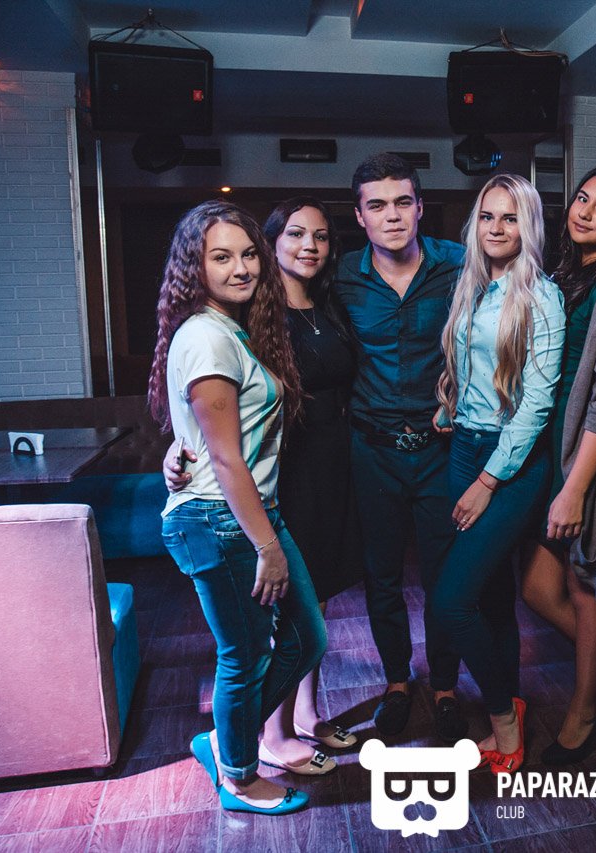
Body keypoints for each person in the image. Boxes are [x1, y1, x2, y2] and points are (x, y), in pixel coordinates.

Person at [163, 197, 364, 775]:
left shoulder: (254, 322)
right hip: (236, 504)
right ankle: (246, 757)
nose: (240, 268)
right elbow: (220, 445)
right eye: (221, 257)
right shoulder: (216, 330)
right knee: (252, 651)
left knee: (306, 629)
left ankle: (248, 736)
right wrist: (267, 544)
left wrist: (186, 448)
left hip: (283, 484)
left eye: (246, 255)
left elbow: (225, 421)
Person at [429, 173, 564, 774]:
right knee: (489, 595)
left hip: (510, 464)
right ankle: (513, 701)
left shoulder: (541, 295)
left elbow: (536, 403)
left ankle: (504, 718)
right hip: (465, 445)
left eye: (510, 217)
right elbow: (475, 365)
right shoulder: (474, 286)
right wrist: (452, 403)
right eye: (488, 216)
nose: (497, 228)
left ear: (527, 225)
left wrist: (488, 481)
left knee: (451, 602)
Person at [334, 153, 469, 742]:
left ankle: (445, 686)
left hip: (442, 449)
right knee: (381, 574)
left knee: (445, 575)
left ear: (420, 207)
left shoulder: (459, 264)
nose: (392, 215)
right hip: (373, 449)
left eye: (402, 202)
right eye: (377, 205)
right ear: (360, 216)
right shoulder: (340, 275)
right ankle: (396, 681)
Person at [516, 163, 596, 764]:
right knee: (538, 588)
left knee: (584, 588)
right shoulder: (561, 275)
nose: (586, 213)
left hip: (585, 460)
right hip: (548, 452)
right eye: (582, 199)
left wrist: (574, 488)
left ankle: (584, 711)